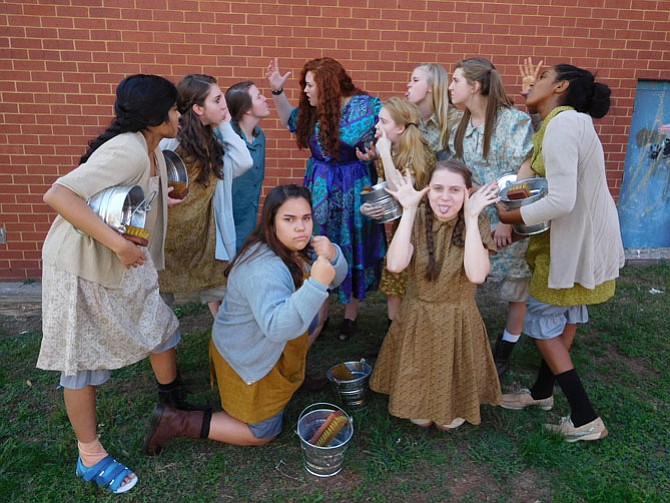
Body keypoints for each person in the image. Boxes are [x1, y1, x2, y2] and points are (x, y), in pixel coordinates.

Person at [36, 74, 192, 494]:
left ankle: (171, 398)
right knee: (80, 361)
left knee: (157, 321)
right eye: (176, 108)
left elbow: (122, 194)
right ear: (158, 116)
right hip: (81, 265)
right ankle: (90, 456)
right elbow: (59, 194)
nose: (180, 115)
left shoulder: (150, 145)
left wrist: (162, 198)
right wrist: (120, 246)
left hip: (117, 259)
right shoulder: (126, 149)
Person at [144, 184, 348, 453]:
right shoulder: (264, 268)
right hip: (247, 358)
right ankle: (176, 421)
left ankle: (292, 377)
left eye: (306, 218)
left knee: (314, 311)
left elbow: (337, 278)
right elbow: (277, 328)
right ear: (272, 223)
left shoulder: (296, 248)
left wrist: (332, 256)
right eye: (289, 219)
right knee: (263, 432)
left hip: (270, 342)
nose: (301, 227)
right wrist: (316, 284)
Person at [497, 63, 625, 442]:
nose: (530, 85)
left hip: (572, 242)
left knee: (542, 323)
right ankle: (540, 395)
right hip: (577, 240)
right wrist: (532, 103)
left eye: (540, 80)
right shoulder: (564, 123)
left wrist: (510, 215)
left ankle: (586, 418)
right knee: (563, 315)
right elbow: (542, 170)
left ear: (561, 86)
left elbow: (562, 199)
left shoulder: (564, 126)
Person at [370, 159, 501, 429]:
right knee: (421, 418)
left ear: (467, 192)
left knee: (447, 422)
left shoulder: (478, 220)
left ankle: (452, 400)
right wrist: (407, 210)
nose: (445, 197)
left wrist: (472, 217)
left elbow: (477, 275)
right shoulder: (415, 218)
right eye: (437, 188)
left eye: (454, 190)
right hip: (418, 316)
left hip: (458, 318)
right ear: (427, 190)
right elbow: (395, 265)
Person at [266, 57, 386, 341]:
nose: (305, 91)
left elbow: (387, 135)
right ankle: (320, 313)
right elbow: (290, 122)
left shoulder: (364, 107)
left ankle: (350, 315)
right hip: (320, 184)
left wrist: (377, 153)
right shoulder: (312, 110)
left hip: (354, 183)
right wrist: (277, 92)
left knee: (351, 242)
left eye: (310, 85)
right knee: (320, 241)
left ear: (327, 86)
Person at [448, 57, 535, 377]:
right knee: (469, 278)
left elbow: (528, 169)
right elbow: (464, 170)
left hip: (509, 217)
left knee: (515, 289)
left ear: (475, 85)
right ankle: (467, 341)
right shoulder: (462, 122)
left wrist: (507, 218)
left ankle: (505, 349)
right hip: (475, 218)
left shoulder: (513, 122)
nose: (450, 87)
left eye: (455, 80)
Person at [159, 74, 252, 317]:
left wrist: (224, 124)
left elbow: (244, 162)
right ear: (198, 108)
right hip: (169, 240)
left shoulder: (211, 140)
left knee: (224, 295)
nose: (224, 105)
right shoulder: (170, 142)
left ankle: (225, 349)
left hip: (204, 235)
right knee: (159, 306)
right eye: (217, 100)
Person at [360, 97, 437, 325]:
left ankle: (413, 339)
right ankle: (394, 336)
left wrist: (383, 153)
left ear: (401, 127)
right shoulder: (391, 150)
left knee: (415, 286)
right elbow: (384, 189)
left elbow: (403, 195)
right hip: (401, 227)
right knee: (395, 285)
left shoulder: (419, 155)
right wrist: (369, 207)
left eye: (383, 121)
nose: (377, 127)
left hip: (423, 229)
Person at [356, 63, 462, 161]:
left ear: (431, 87)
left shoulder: (454, 120)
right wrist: (377, 154)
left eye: (415, 80)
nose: (408, 85)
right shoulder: (408, 116)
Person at [225, 80, 271, 251]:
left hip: (248, 220)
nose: (265, 99)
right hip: (227, 222)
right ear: (246, 108)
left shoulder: (260, 136)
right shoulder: (226, 138)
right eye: (259, 96)